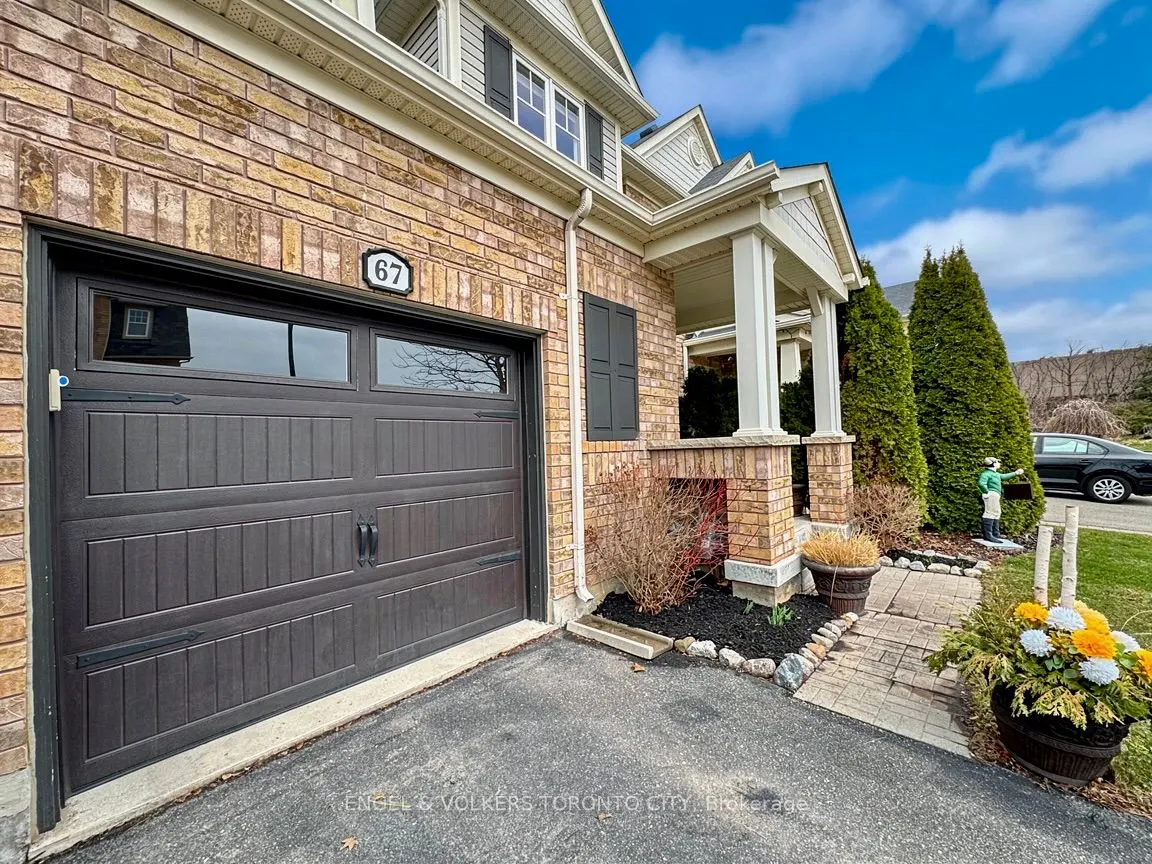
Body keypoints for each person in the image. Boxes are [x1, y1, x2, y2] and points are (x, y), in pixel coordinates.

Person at [978, 457, 1024, 543]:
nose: (999, 463)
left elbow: (1003, 476)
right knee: (990, 513)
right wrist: (987, 491)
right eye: (998, 462)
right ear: (994, 464)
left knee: (997, 512)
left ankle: (995, 533)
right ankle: (988, 535)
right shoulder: (986, 474)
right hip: (991, 494)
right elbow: (981, 483)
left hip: (995, 495)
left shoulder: (995, 474)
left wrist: (1016, 473)